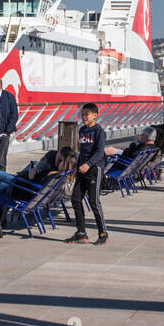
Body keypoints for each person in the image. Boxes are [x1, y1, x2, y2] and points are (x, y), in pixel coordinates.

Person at [0, 146, 75, 210]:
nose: (58, 162)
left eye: (61, 161)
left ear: (64, 163)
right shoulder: (60, 176)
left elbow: (32, 180)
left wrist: (31, 174)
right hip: (28, 190)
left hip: (22, 187)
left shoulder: (53, 175)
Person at [65, 103, 108, 245]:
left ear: (95, 115)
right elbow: (82, 151)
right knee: (76, 199)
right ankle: (81, 233)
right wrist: (77, 166)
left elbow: (100, 151)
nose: (83, 117)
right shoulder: (82, 130)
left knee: (94, 202)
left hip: (95, 170)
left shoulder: (99, 131)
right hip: (81, 170)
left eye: (86, 114)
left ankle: (103, 234)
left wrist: (88, 164)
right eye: (82, 114)